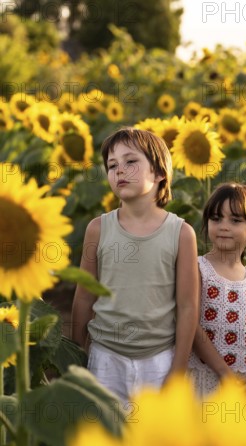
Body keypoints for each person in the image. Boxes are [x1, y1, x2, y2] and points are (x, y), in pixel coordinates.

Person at [71, 127, 198, 406]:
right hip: (105, 356)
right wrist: (77, 351)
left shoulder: (181, 233)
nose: (119, 171)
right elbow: (84, 295)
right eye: (112, 165)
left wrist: (178, 368)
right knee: (107, 438)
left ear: (160, 173)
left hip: (160, 359)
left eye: (131, 161)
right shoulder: (98, 229)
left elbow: (188, 306)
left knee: (153, 444)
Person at [188, 182, 246, 401]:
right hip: (207, 380)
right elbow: (192, 327)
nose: (223, 226)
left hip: (245, 383)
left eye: (235, 220)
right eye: (216, 219)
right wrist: (224, 373)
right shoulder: (198, 269)